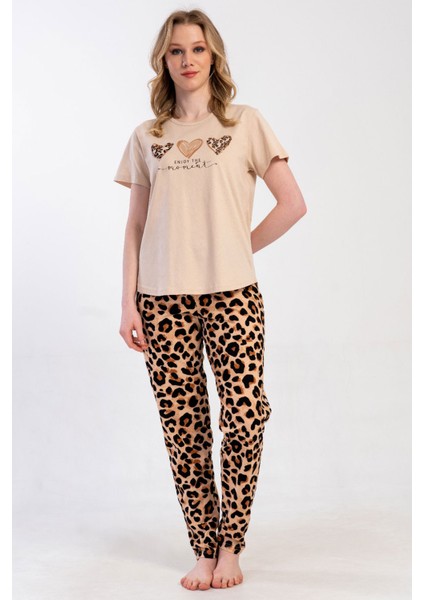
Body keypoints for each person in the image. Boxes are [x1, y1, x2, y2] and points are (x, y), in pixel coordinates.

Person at [113, 8, 307, 592]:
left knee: (245, 418)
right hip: (161, 300)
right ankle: (202, 548)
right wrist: (127, 303)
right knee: (184, 428)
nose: (187, 59)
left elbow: (293, 204)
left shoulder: (245, 123)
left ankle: (230, 546)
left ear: (213, 55)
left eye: (197, 48)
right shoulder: (147, 136)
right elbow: (135, 225)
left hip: (233, 295)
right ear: (163, 61)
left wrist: (237, 247)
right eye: (176, 51)